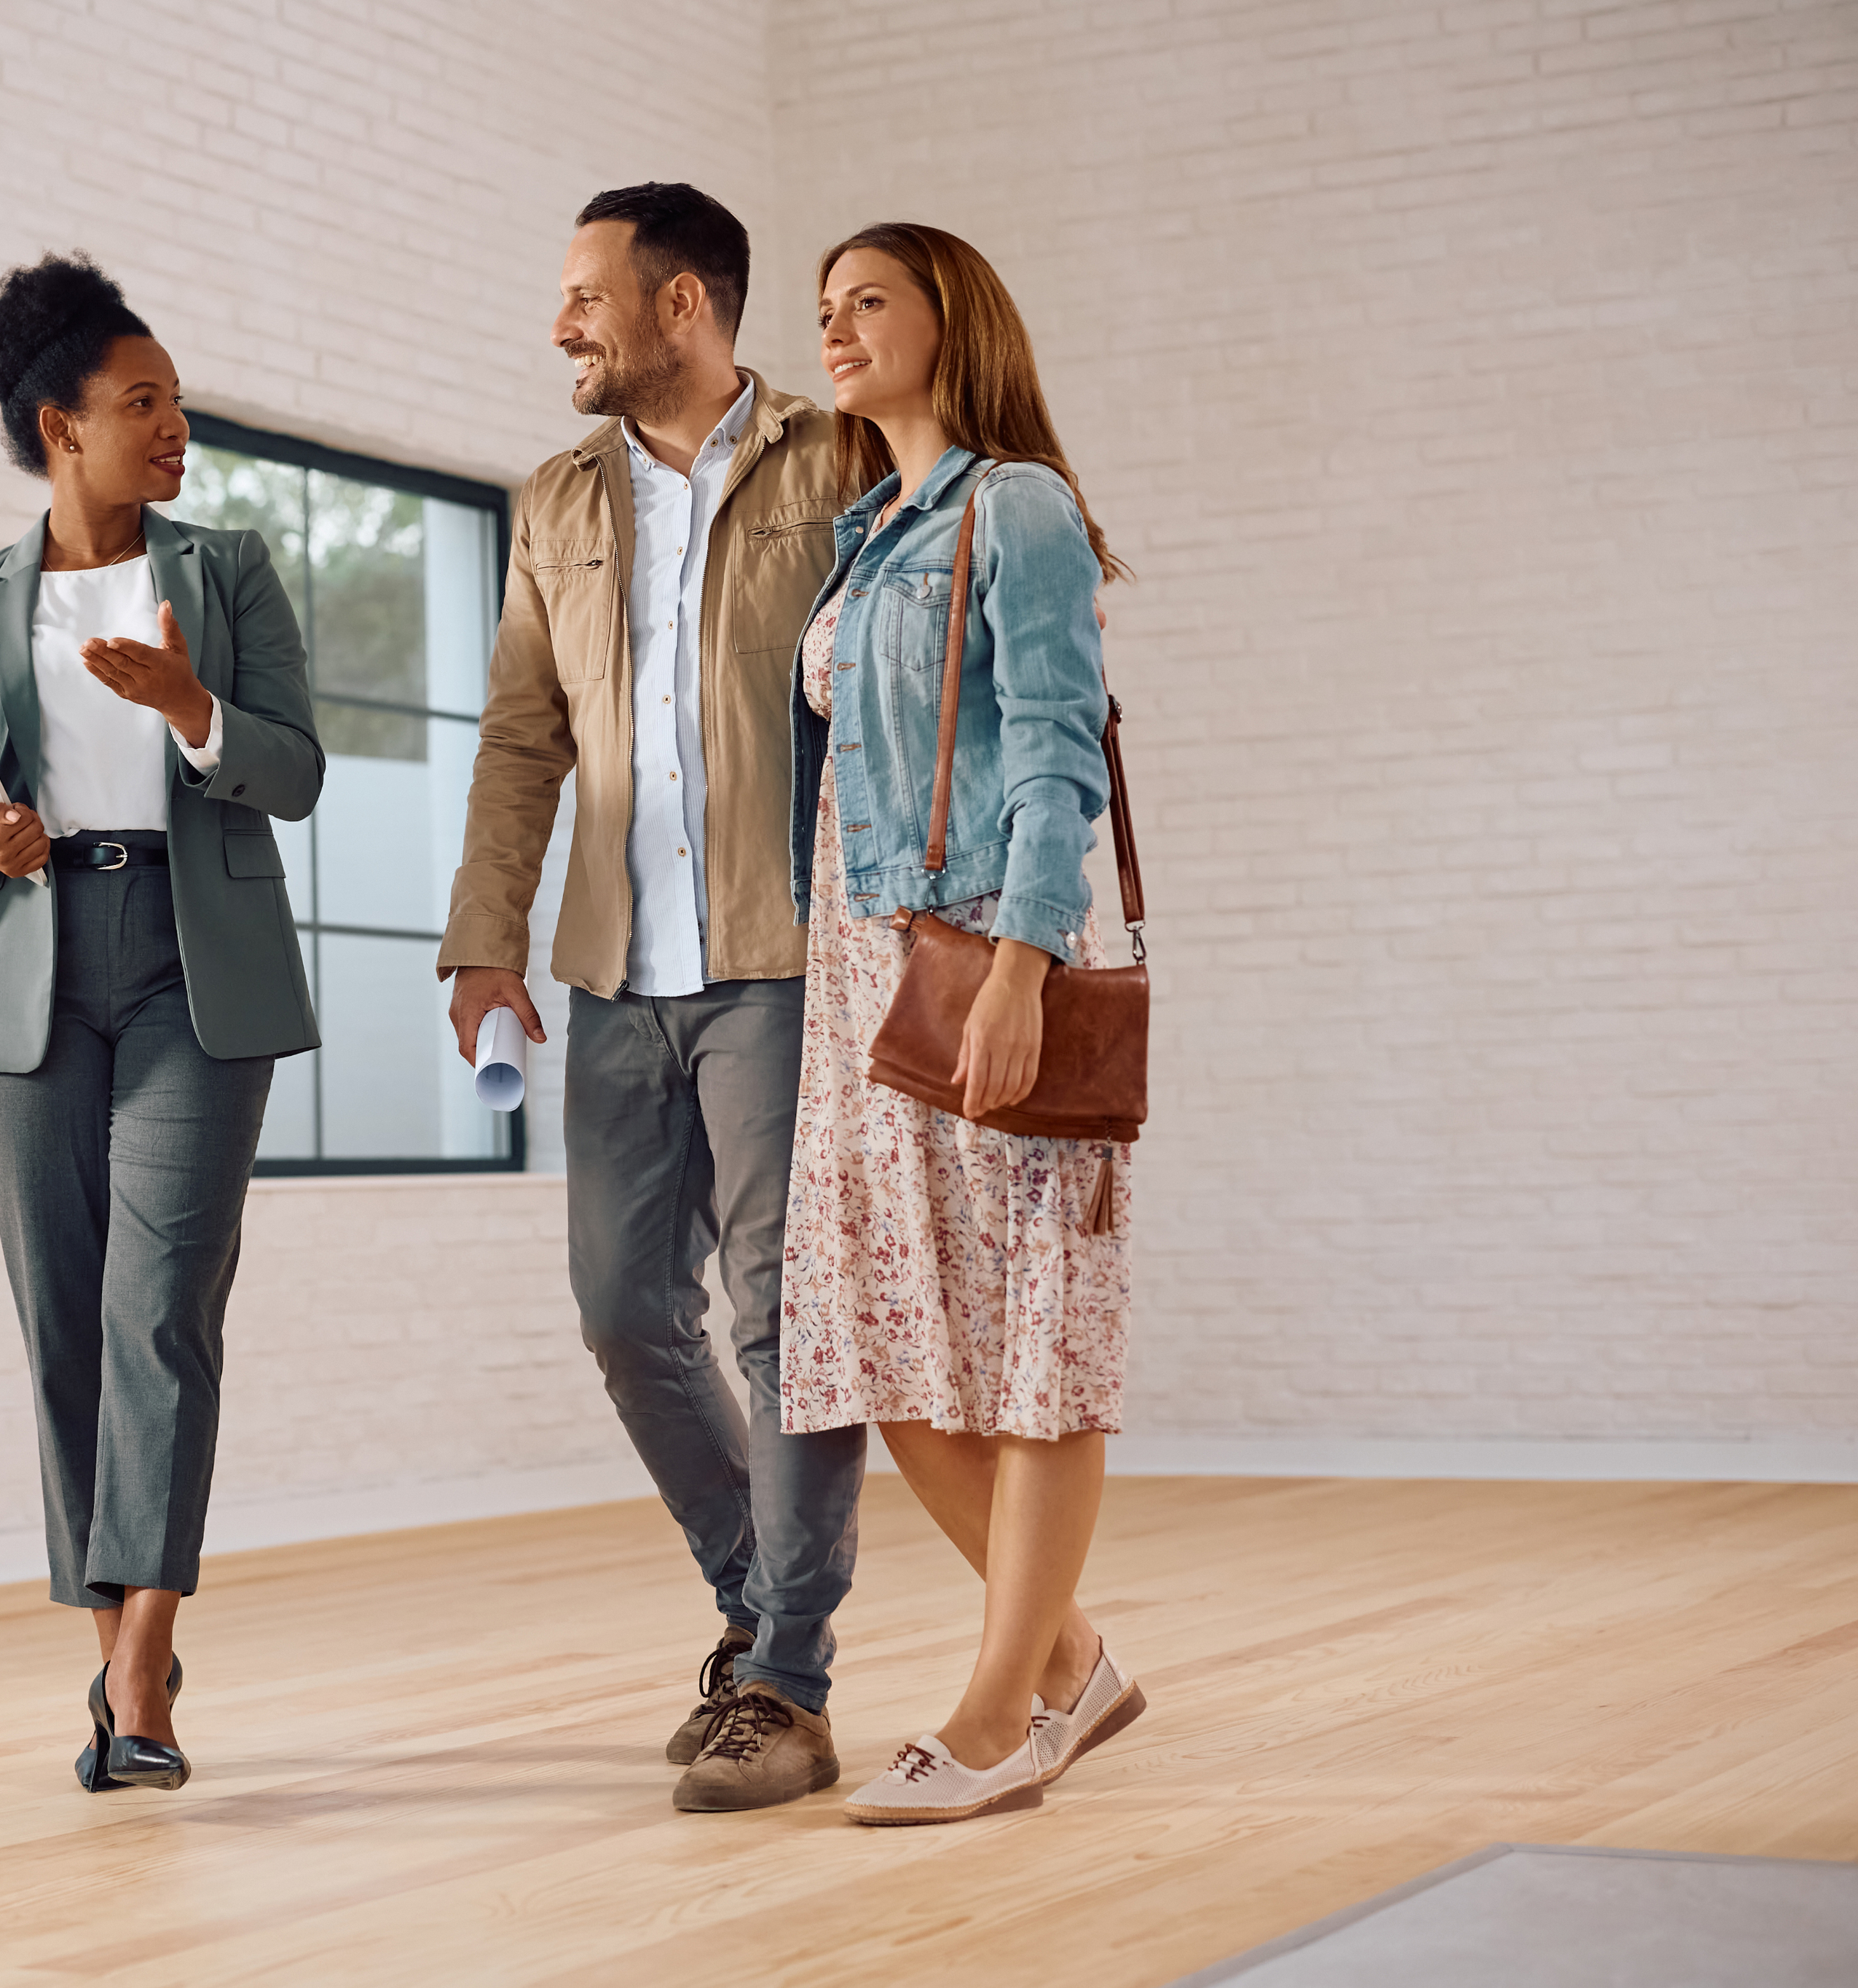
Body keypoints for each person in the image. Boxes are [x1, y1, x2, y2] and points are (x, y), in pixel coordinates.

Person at [438, 184, 867, 1814]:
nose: (560, 323)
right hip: (616, 970)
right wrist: (484, 935)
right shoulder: (557, 498)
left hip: (783, 958)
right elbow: (520, 736)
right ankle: (758, 1608)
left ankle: (788, 1685)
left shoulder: (835, 462)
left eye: (585, 295)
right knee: (625, 1309)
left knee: (780, 1318)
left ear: (681, 303)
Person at [0, 253, 322, 1795]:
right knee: (62, 1319)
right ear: (60, 426)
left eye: (178, 402)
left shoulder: (228, 572)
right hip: (32, 967)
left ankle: (142, 1664)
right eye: (144, 403)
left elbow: (294, 770)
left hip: (193, 968)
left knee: (160, 1309)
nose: (175, 426)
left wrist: (193, 709)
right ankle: (110, 1642)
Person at [779, 221, 1146, 1827]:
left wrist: (1018, 967)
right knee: (884, 1343)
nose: (836, 327)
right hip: (859, 973)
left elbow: (1058, 747)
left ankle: (1000, 1717)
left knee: (1033, 1348)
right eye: (825, 308)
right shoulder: (867, 534)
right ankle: (1074, 1664)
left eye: (870, 301)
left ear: (952, 323)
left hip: (985, 948)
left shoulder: (1018, 506)